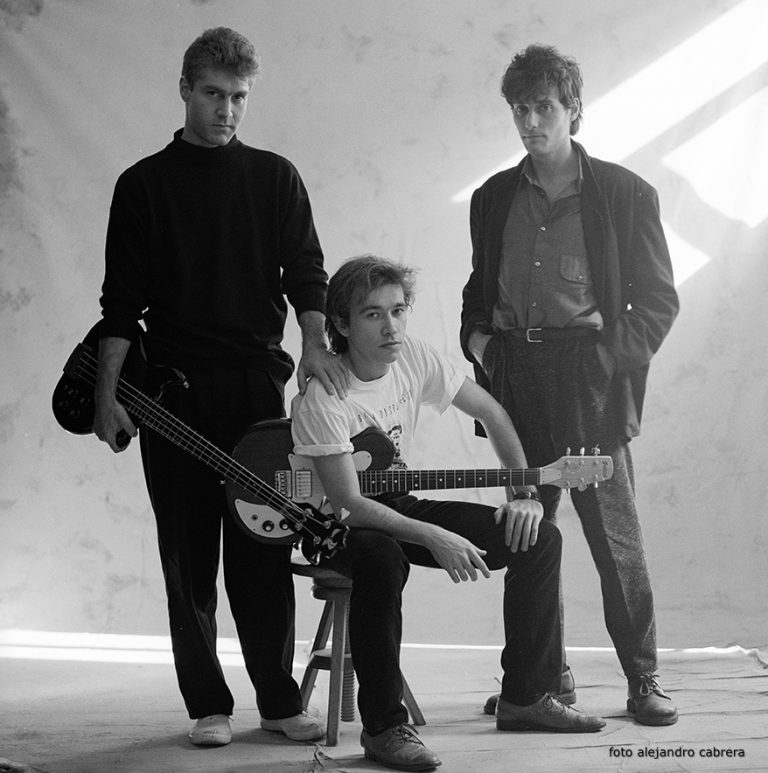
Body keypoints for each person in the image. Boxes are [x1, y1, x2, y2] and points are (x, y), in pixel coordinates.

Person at [93, 27, 349, 747]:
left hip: (255, 389)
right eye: (213, 94)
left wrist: (313, 345)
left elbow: (307, 272)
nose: (226, 110)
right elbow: (120, 305)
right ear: (184, 89)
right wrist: (109, 396)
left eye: (238, 97)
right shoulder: (142, 185)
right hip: (169, 394)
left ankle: (278, 701)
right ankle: (208, 704)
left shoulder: (274, 177)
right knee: (187, 554)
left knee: (264, 544)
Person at [291, 255, 605, 772]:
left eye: (398, 310)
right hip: (330, 525)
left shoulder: (413, 356)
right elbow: (349, 504)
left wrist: (523, 493)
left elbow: (491, 411)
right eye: (373, 314)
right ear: (341, 325)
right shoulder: (325, 397)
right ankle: (384, 729)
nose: (391, 327)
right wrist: (435, 536)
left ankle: (525, 696)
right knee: (381, 557)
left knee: (539, 538)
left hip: (394, 501)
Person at [460, 44, 679, 726]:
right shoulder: (492, 197)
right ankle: (539, 678)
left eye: (543, 107)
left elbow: (658, 301)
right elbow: (478, 286)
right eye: (519, 109)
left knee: (616, 539)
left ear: (573, 109)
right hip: (514, 375)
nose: (530, 122)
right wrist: (480, 345)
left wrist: (604, 361)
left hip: (587, 377)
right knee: (528, 529)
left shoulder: (623, 193)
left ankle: (643, 677)